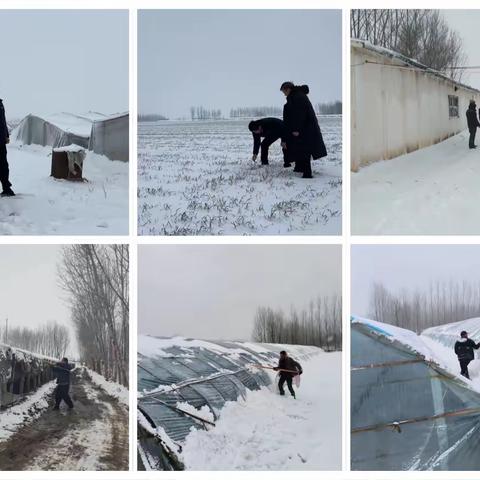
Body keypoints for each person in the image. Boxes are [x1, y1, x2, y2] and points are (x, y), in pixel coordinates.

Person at [280, 81, 327, 178]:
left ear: (288, 89)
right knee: (300, 149)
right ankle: (300, 168)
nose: (283, 94)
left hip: (305, 129)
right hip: (305, 128)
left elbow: (299, 114)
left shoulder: (297, 96)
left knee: (305, 150)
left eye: (283, 91)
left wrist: (296, 129)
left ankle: (307, 173)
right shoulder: (296, 95)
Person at [0, 99, 14, 196]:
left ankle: (6, 188)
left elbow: (3, 122)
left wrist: (6, 136)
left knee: (3, 166)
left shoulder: (0, 104)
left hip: (1, 141)